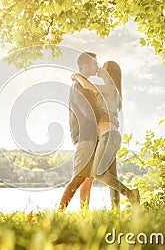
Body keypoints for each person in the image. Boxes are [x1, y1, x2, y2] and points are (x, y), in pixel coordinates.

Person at [59, 52, 120, 211]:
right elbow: (88, 112)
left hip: (93, 136)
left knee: (89, 178)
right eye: (95, 63)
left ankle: (84, 213)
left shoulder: (87, 84)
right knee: (79, 176)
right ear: (85, 66)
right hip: (84, 136)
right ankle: (59, 212)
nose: (97, 66)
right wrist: (107, 116)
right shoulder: (78, 85)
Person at [73, 61, 140, 204]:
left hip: (108, 136)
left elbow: (86, 85)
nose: (100, 68)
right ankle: (116, 214)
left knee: (98, 172)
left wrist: (76, 75)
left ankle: (130, 193)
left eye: (103, 66)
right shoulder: (108, 90)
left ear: (109, 72)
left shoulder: (110, 88)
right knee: (112, 176)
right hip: (110, 136)